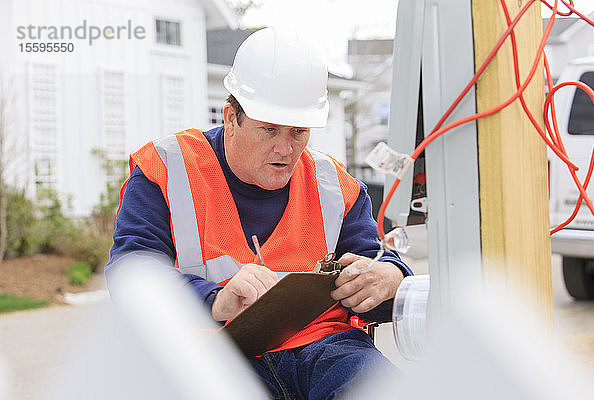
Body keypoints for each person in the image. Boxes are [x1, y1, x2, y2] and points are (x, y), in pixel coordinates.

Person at [106, 27, 412, 399]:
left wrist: (392, 276)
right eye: (269, 129)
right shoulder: (169, 169)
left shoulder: (334, 185)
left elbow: (373, 259)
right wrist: (214, 299)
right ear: (231, 117)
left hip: (327, 350)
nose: (285, 148)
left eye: (298, 131)